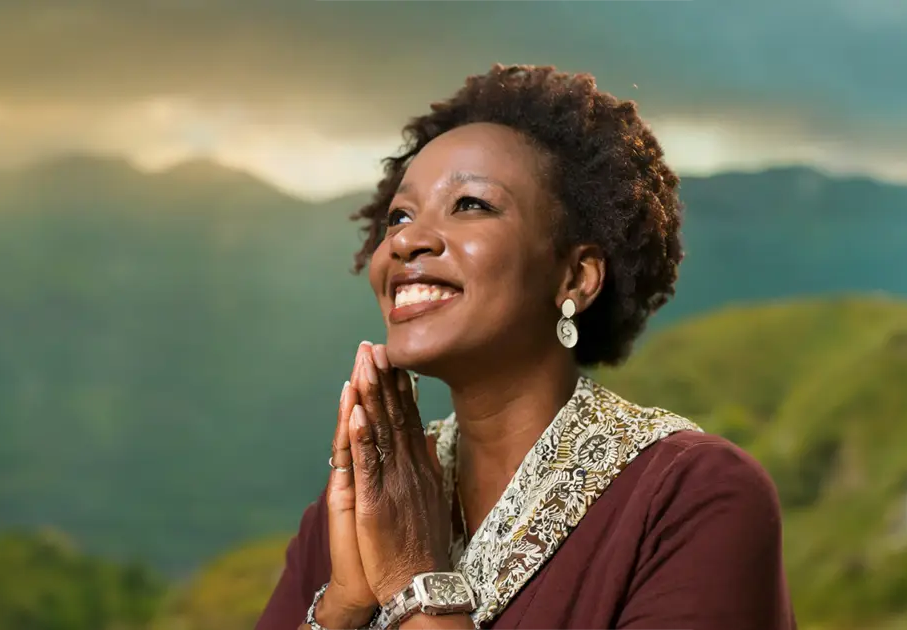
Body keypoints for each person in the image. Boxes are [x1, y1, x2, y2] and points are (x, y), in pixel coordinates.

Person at [256, 64, 795, 630]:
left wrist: (414, 582)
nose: (406, 240)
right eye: (400, 215)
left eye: (470, 205)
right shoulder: (366, 499)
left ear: (576, 278)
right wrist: (343, 604)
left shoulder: (693, 497)